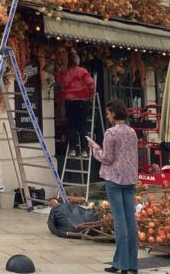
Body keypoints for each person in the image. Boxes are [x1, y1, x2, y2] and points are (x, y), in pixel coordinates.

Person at [88, 99, 139, 274]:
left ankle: (120, 264)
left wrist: (95, 148)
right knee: (131, 221)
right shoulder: (132, 132)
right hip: (129, 179)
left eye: (109, 113)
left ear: (114, 114)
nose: (108, 116)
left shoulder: (111, 133)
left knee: (119, 222)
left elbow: (107, 158)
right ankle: (132, 264)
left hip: (114, 179)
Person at [56, 51, 95, 156]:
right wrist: (91, 96)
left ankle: (72, 149)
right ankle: (84, 150)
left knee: (72, 126)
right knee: (82, 126)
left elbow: (58, 81)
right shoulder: (82, 71)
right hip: (82, 101)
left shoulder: (64, 72)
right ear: (77, 61)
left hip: (69, 102)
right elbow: (91, 84)